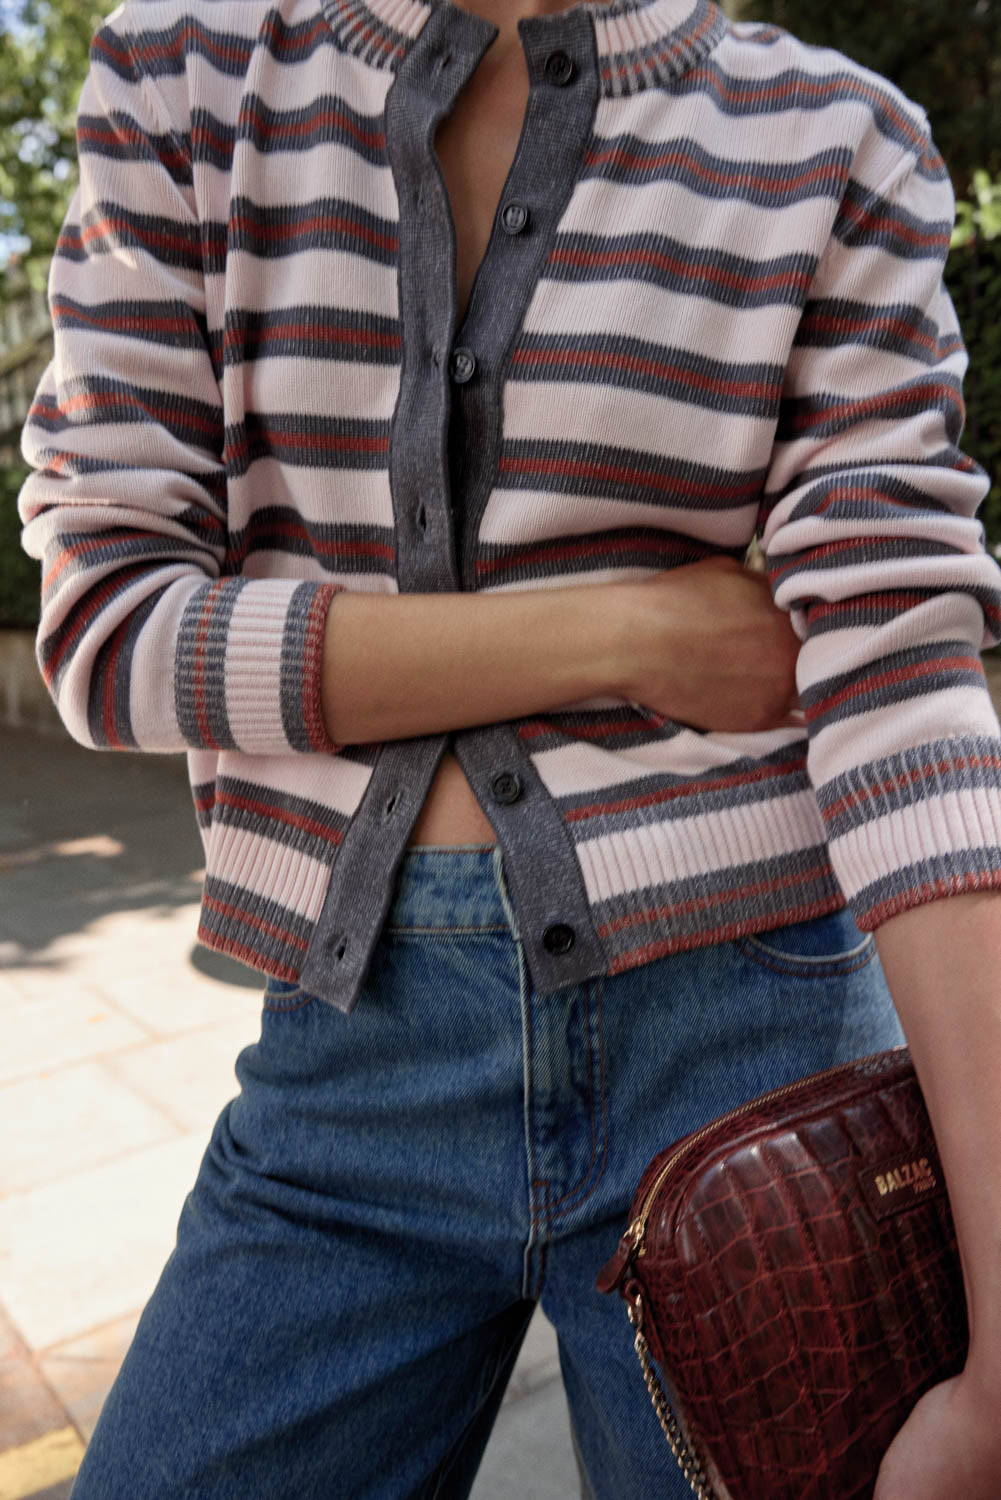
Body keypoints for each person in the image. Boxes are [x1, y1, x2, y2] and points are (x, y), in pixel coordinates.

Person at [16, 0, 1001, 1491]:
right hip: (353, 1066)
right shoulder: (188, 73)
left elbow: (910, 703)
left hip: (755, 1056)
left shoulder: (835, 135)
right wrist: (630, 634)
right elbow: (112, 632)